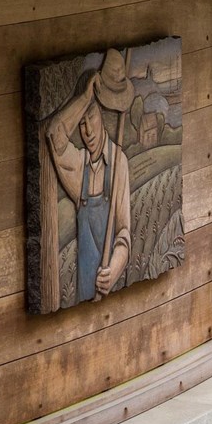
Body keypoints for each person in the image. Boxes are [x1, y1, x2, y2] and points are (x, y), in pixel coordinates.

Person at [46, 49, 133, 303]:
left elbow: (124, 231)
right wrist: (85, 99)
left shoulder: (119, 164)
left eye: (91, 118)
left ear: (103, 117)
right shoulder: (79, 166)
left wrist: (113, 270)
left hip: (110, 294)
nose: (86, 131)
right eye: (81, 123)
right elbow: (55, 135)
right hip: (84, 296)